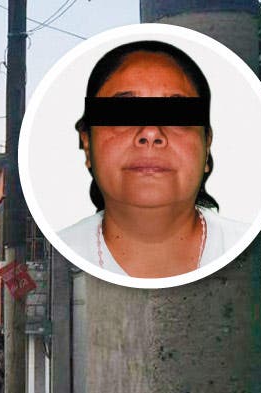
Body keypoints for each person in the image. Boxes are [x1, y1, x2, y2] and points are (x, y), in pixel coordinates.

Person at [58, 40, 247, 279]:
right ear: (87, 144)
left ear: (206, 145)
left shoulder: (246, 247)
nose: (150, 132)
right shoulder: (65, 247)